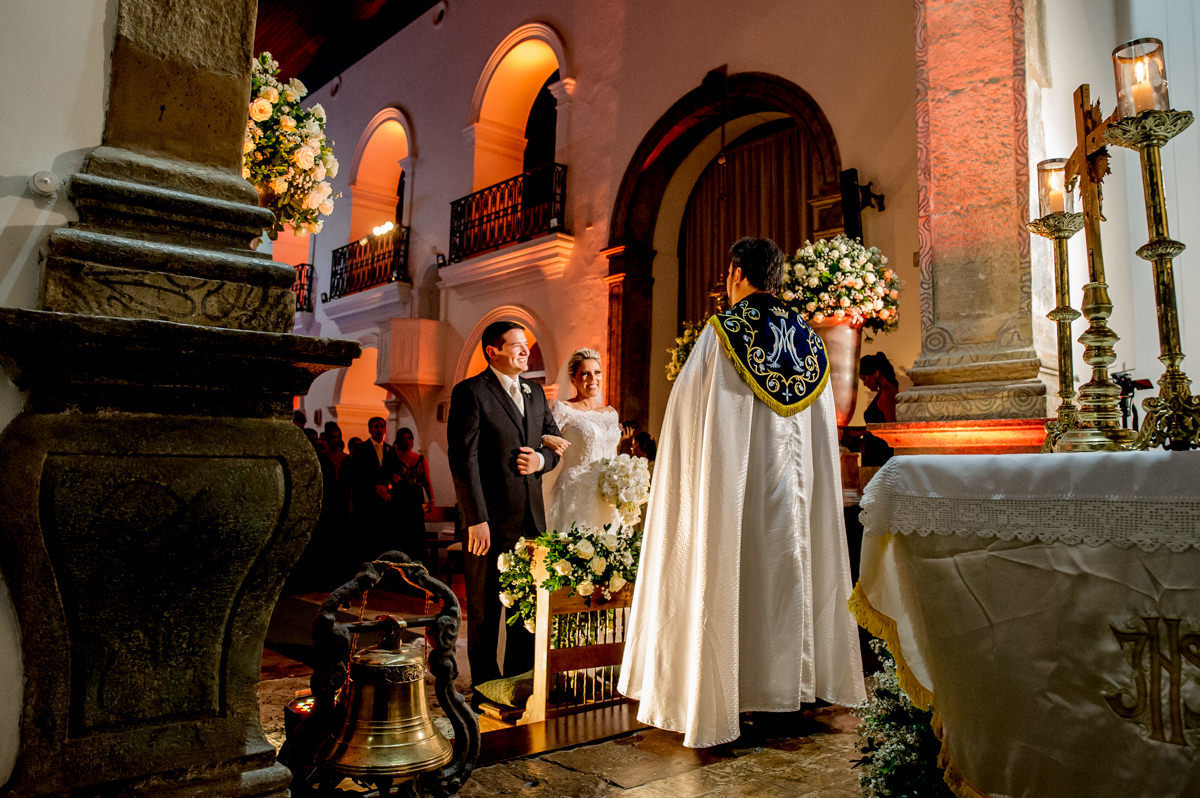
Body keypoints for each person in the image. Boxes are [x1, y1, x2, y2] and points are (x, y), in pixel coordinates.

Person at [619, 237, 865, 748]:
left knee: (734, 577)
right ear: (778, 279)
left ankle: (732, 693)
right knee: (789, 578)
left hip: (738, 499)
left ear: (735, 273)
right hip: (793, 505)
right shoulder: (810, 339)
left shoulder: (724, 333)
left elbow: (689, 425)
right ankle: (790, 692)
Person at [447, 321, 562, 687]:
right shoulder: (471, 392)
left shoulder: (535, 393)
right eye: (516, 344)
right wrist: (475, 519)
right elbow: (463, 460)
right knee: (484, 611)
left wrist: (541, 461)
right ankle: (483, 689)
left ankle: (516, 683)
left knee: (525, 606)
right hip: (488, 524)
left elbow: (554, 441)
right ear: (492, 351)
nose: (525, 350)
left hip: (531, 523)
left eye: (526, 344)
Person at [541, 348, 622, 534]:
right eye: (585, 374)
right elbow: (542, 438)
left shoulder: (611, 414)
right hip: (576, 494)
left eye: (597, 372)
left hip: (607, 494)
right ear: (573, 379)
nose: (592, 379)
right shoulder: (564, 409)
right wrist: (546, 439)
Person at [349, 416, 402, 564]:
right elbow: (358, 475)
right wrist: (374, 488)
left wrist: (387, 487)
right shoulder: (361, 449)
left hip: (385, 501)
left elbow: (396, 474)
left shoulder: (390, 450)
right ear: (370, 429)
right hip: (367, 500)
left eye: (381, 426)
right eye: (376, 427)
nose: (379, 430)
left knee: (384, 537)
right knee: (368, 538)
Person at [391, 427, 432, 565]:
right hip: (400, 498)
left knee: (417, 535)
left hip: (416, 498)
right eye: (404, 438)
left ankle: (418, 568)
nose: (407, 441)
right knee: (401, 535)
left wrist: (431, 499)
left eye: (410, 438)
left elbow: (427, 480)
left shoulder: (419, 458)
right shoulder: (394, 458)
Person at [858, 353, 898, 467]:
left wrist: (862, 433)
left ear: (876, 373)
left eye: (864, 378)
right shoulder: (884, 393)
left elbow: (890, 427)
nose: (865, 383)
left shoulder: (887, 394)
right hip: (876, 455)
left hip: (880, 457)